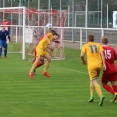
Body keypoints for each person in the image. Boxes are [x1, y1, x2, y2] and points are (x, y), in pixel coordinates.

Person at [80, 34, 106, 106]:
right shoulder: (98, 45)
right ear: (93, 39)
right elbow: (102, 55)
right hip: (99, 65)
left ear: (88, 39)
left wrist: (83, 61)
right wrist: (104, 64)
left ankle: (101, 96)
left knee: (94, 81)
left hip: (91, 66)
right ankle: (91, 96)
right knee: (92, 79)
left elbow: (81, 55)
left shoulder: (85, 46)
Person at [101, 36, 117, 102]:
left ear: (102, 41)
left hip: (107, 69)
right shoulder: (112, 49)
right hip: (114, 69)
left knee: (104, 83)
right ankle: (116, 99)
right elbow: (115, 57)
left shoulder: (101, 49)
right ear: (108, 42)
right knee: (114, 83)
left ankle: (114, 93)